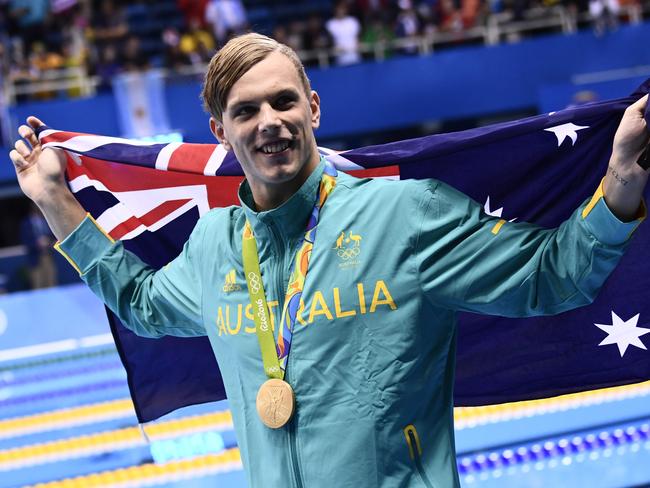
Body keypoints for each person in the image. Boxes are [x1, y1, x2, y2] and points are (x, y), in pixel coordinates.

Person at [9, 33, 649, 487]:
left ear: (313, 108)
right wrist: (54, 201)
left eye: (284, 101)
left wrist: (619, 179)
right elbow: (144, 306)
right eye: (246, 111)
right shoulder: (214, 245)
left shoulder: (405, 215)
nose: (270, 122)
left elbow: (552, 278)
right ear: (219, 132)